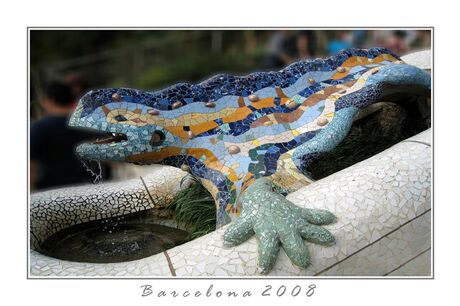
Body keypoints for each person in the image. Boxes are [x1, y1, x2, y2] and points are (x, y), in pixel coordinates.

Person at [30, 81, 107, 190]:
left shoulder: (39, 129)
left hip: (52, 193)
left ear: (50, 99)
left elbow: (31, 166)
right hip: (91, 191)